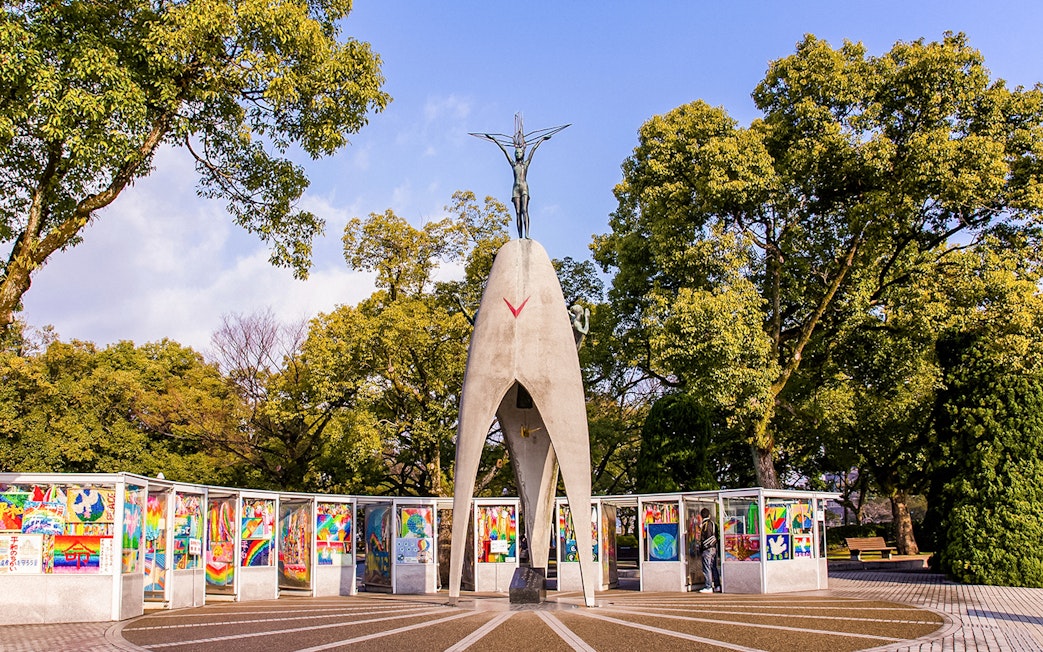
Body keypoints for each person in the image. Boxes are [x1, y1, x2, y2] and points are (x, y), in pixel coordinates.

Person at [697, 507, 721, 593]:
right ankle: (717, 585)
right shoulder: (713, 524)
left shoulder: (704, 525)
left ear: (701, 516)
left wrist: (701, 546)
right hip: (714, 548)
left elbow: (702, 538)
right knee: (713, 567)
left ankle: (708, 586)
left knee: (706, 568)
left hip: (706, 549)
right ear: (709, 515)